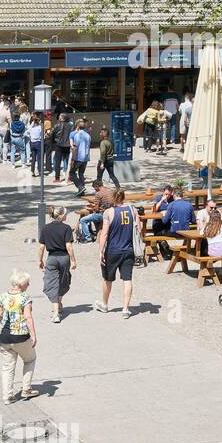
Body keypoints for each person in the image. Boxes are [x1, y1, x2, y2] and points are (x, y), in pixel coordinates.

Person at [95, 189, 140, 317]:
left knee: (107, 279)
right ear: (124, 197)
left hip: (113, 250)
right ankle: (125, 308)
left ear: (113, 198)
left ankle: (104, 304)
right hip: (128, 249)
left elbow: (104, 234)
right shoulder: (133, 210)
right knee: (127, 279)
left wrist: (101, 251)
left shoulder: (109, 212)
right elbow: (139, 229)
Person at [0, 270, 39, 404]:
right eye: (27, 282)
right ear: (21, 284)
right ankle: (26, 388)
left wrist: (4, 326)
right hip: (20, 336)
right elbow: (28, 317)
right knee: (30, 359)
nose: (29, 285)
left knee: (7, 367)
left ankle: (7, 396)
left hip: (4, 337)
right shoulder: (25, 298)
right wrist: (33, 335)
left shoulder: (3, 296)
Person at [38, 207, 77, 324]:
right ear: (61, 216)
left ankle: (56, 312)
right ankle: (58, 304)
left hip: (52, 258)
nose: (67, 216)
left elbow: (41, 246)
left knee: (51, 282)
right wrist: (73, 260)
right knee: (63, 280)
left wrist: (40, 260)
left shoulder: (46, 228)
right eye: (66, 214)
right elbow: (69, 246)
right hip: (64, 258)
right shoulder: (66, 228)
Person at [69, 120, 92, 195]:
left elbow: (74, 148)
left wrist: (72, 159)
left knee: (71, 173)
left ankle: (80, 186)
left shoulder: (77, 135)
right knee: (81, 173)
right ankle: (81, 190)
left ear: (78, 127)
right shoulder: (88, 135)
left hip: (78, 157)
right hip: (86, 157)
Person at [51, 112, 73, 182]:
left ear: (61, 118)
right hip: (67, 145)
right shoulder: (70, 126)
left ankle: (57, 178)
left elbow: (52, 134)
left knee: (58, 162)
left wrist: (53, 142)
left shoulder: (57, 125)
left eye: (60, 116)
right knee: (67, 161)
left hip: (59, 145)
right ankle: (68, 177)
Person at [27, 113, 44, 177]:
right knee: (39, 158)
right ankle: (40, 171)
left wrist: (30, 137)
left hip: (32, 143)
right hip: (38, 142)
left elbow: (26, 133)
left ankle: (32, 171)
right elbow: (43, 136)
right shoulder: (40, 127)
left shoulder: (31, 128)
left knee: (33, 158)